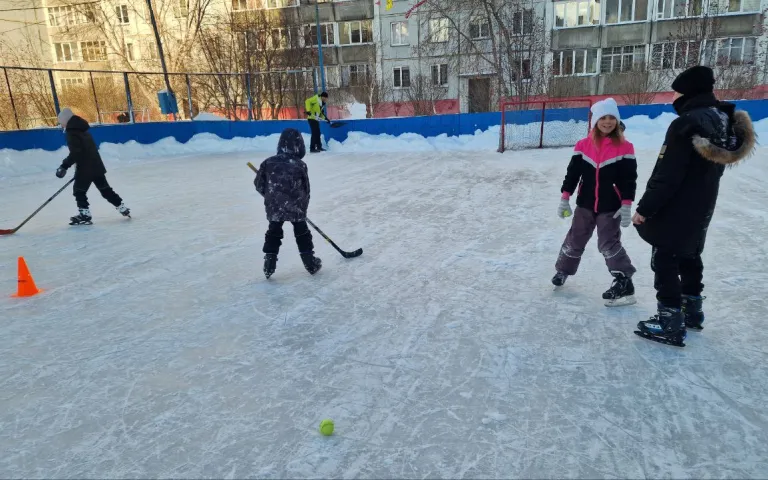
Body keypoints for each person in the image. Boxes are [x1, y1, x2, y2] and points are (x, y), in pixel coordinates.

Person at [632, 65, 755, 346]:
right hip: (702, 205)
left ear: (687, 91)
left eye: (677, 91)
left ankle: (670, 321)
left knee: (664, 257)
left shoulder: (686, 123)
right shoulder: (722, 120)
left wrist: (645, 208)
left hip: (676, 205)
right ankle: (692, 311)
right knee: (689, 253)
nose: (674, 96)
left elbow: (668, 174)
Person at [553, 98, 638, 307]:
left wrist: (626, 204)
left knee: (608, 243)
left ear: (617, 121)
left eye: (611, 118)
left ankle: (623, 279)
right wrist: (565, 198)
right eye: (603, 118)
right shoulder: (583, 146)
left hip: (611, 206)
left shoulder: (625, 147)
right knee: (575, 238)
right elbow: (572, 174)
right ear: (595, 121)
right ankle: (563, 270)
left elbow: (629, 179)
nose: (607, 122)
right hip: (585, 203)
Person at [254, 128, 322, 279]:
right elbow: (306, 189)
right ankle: (310, 263)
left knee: (273, 232)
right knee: (302, 232)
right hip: (296, 207)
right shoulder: (299, 165)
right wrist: (302, 208)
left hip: (274, 207)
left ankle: (269, 264)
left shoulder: (268, 162)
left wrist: (270, 196)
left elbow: (259, 185)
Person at [55, 108, 131, 225]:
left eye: (61, 122)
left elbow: (76, 153)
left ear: (66, 120)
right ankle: (122, 207)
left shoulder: (71, 132)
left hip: (85, 168)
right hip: (96, 165)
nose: (61, 125)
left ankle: (85, 215)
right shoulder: (82, 129)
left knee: (79, 191)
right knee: (105, 189)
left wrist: (64, 166)